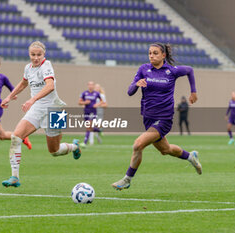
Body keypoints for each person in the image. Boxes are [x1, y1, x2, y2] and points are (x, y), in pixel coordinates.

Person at [111, 42, 202, 190]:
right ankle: (190, 156)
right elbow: (129, 91)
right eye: (150, 53)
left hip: (164, 118)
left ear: (163, 55)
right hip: (148, 118)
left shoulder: (171, 71)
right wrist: (136, 85)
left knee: (138, 145)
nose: (151, 56)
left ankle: (127, 179)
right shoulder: (144, 69)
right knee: (165, 150)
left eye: (155, 53)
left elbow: (190, 70)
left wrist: (193, 92)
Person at [0, 41, 81, 187]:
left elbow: (50, 86)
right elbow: (23, 83)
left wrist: (32, 99)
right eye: (33, 54)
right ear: (29, 54)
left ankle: (74, 147)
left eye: (39, 54)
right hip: (37, 108)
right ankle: (14, 177)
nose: (36, 58)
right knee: (16, 137)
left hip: (55, 109)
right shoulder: (28, 68)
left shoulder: (46, 65)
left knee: (54, 151)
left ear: (44, 55)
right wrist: (9, 97)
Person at [78, 81, 104, 147]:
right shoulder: (84, 93)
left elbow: (102, 101)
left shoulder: (96, 93)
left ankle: (85, 142)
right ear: (88, 86)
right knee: (89, 127)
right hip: (86, 111)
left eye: (92, 85)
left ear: (93, 86)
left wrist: (97, 104)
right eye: (89, 85)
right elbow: (79, 102)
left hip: (93, 112)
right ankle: (98, 130)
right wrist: (85, 102)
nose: (91, 86)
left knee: (89, 126)